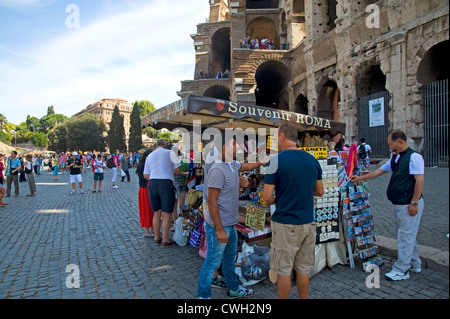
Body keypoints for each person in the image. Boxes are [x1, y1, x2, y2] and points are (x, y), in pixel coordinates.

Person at [197, 134, 266, 299]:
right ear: (224, 147)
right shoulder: (218, 169)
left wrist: (261, 162)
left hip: (230, 224)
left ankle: (234, 289)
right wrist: (219, 229)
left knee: (229, 260)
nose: (239, 147)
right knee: (212, 263)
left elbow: (246, 166)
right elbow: (212, 202)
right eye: (234, 144)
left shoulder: (231, 165)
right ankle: (203, 296)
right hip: (219, 226)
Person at [351, 129, 425, 281]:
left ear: (400, 141)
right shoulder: (396, 158)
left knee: (405, 236)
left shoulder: (414, 157)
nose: (390, 147)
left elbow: (419, 181)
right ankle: (414, 263)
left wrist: (414, 202)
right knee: (407, 235)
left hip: (408, 203)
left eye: (391, 144)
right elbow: (379, 171)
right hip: (399, 203)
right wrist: (361, 177)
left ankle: (401, 269)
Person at [262, 122, 324, 299]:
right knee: (303, 269)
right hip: (307, 222)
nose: (276, 142)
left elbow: (266, 196)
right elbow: (320, 191)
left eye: (276, 138)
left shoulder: (276, 161)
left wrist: (278, 199)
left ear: (282, 137)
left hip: (285, 223)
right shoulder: (312, 160)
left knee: (284, 270)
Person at [143, 139, 181, 247]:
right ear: (165, 146)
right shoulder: (170, 153)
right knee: (167, 213)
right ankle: (165, 239)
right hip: (166, 183)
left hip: (153, 184)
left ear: (156, 146)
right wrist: (169, 172)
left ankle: (156, 237)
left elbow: (145, 175)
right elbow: (178, 171)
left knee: (156, 212)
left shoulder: (149, 156)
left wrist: (156, 176)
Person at [137, 150, 154, 237]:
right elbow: (143, 179)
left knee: (152, 210)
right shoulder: (142, 166)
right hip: (145, 189)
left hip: (149, 188)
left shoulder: (147, 165)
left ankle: (152, 228)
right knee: (146, 209)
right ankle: (147, 230)